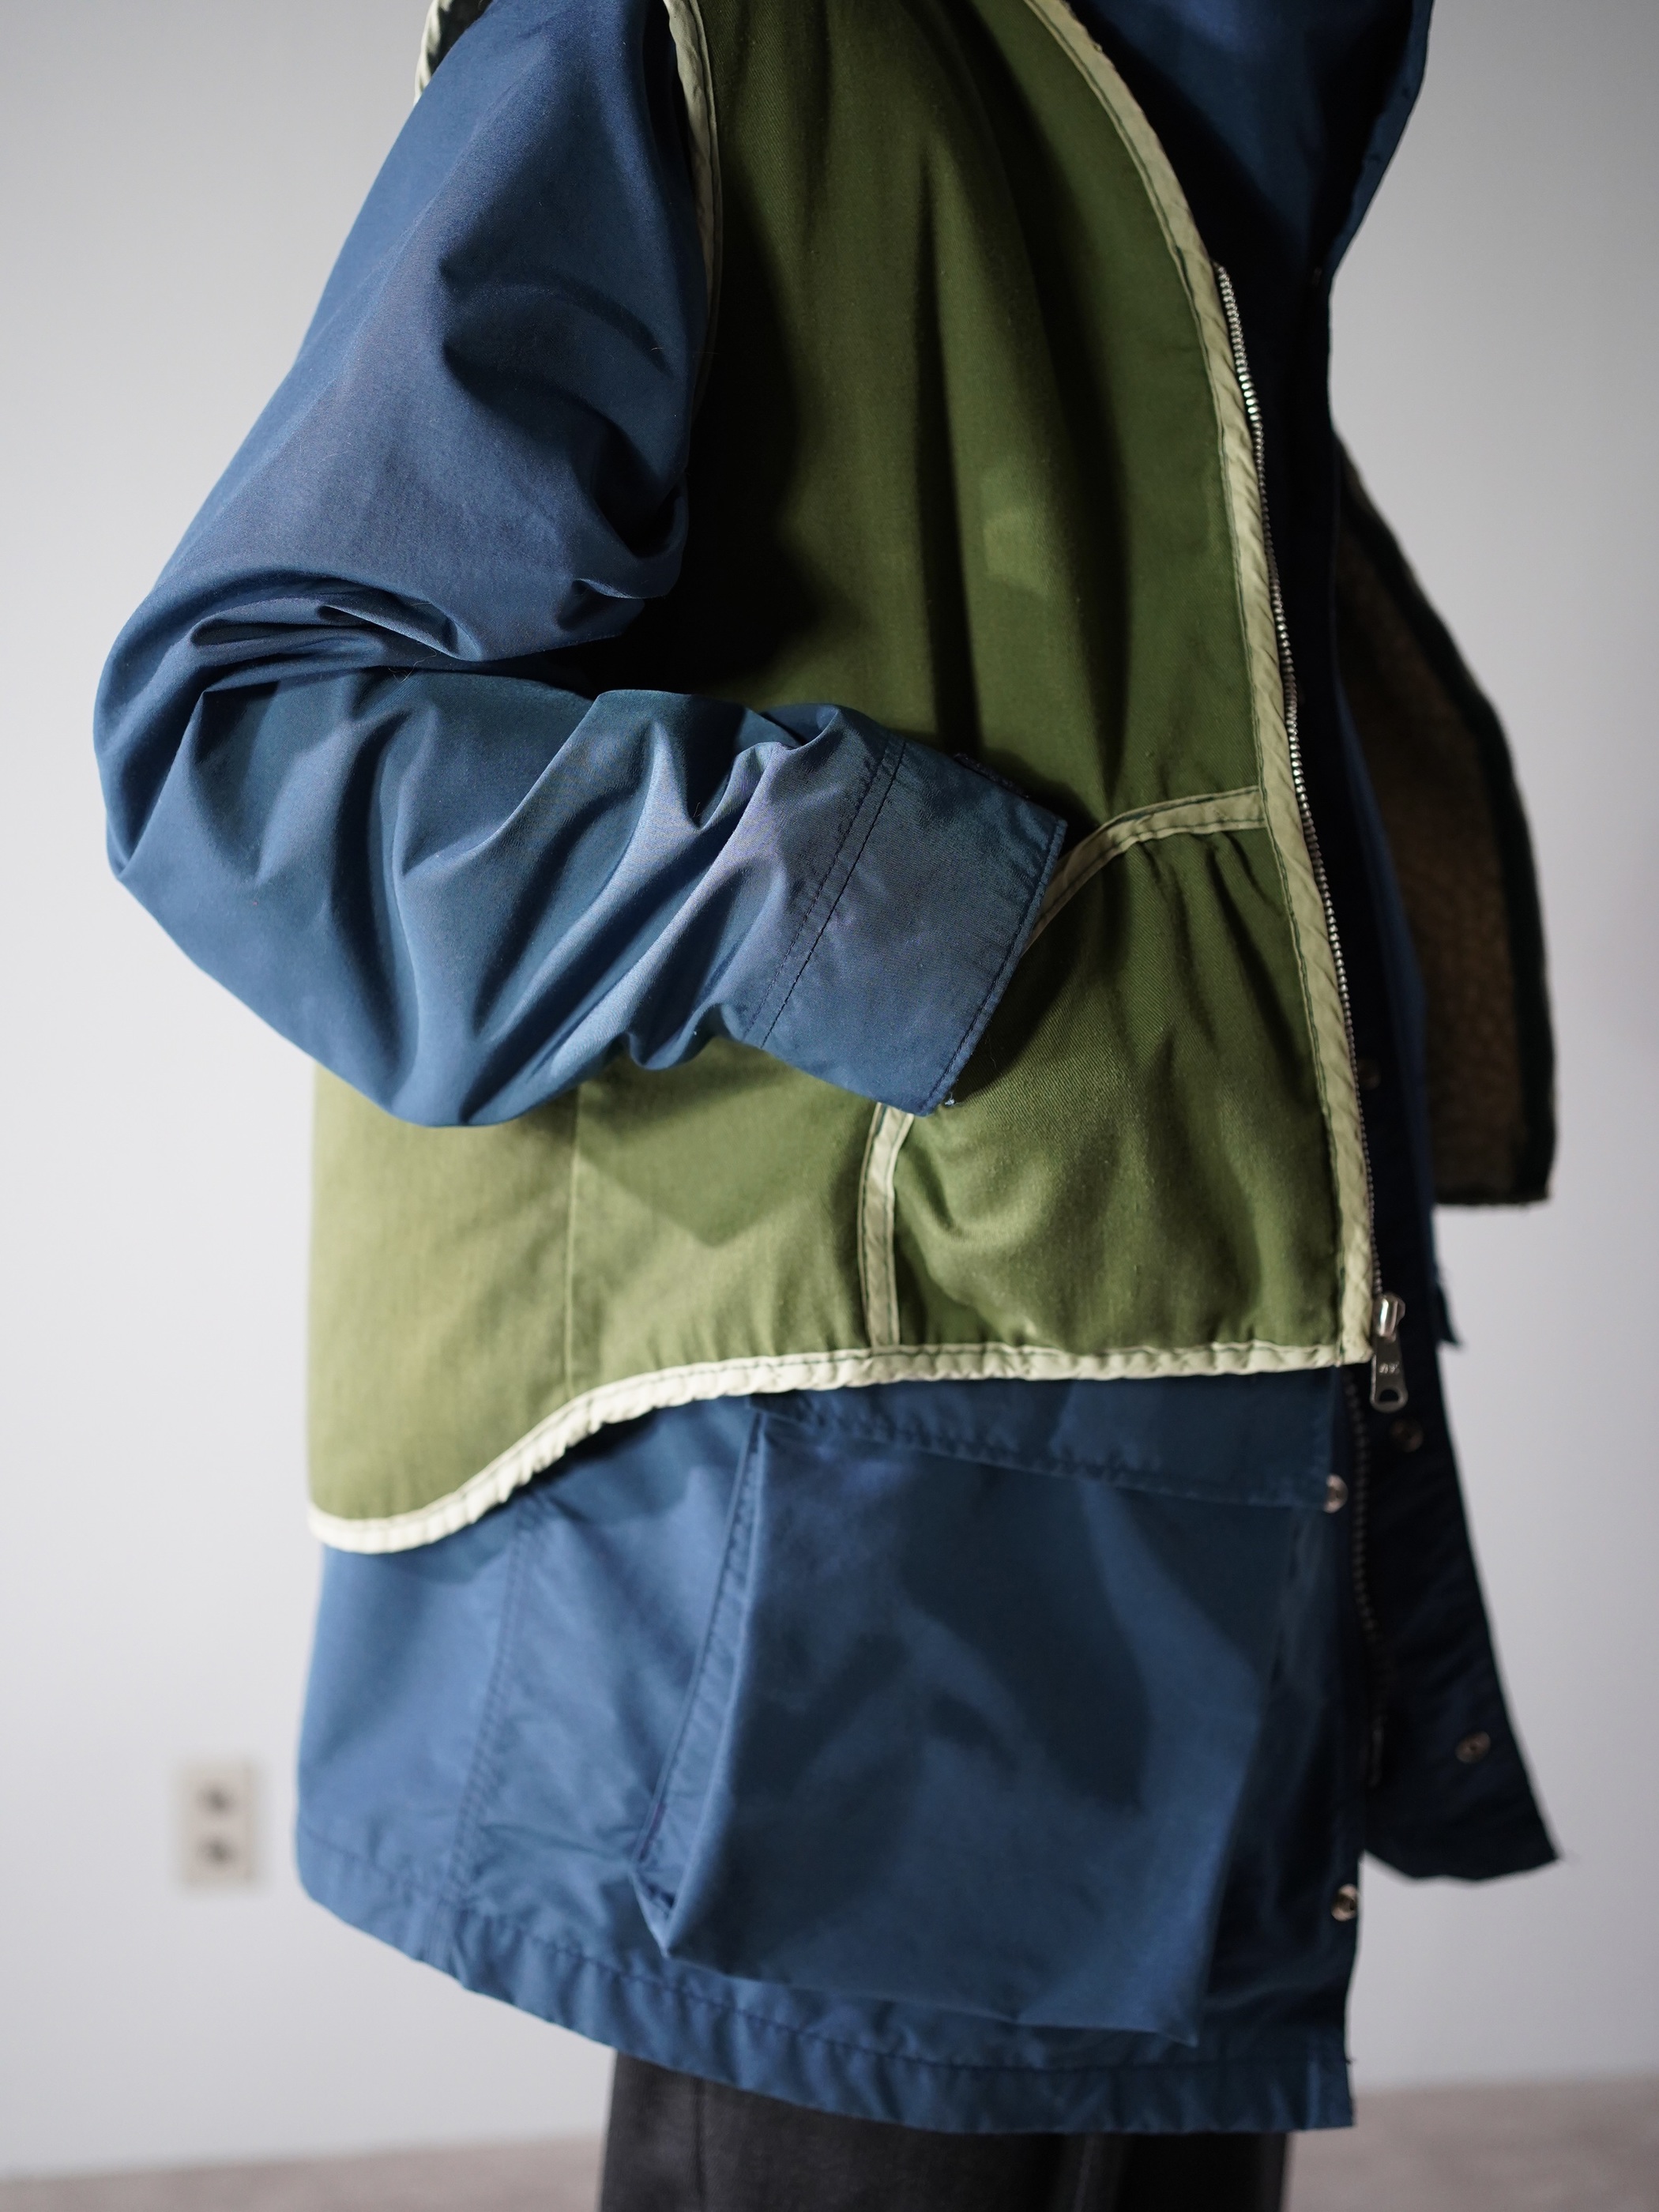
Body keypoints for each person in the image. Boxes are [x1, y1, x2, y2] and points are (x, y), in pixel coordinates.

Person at [95, 0, 1558, 2204]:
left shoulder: (1215, 116)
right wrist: (869, 888)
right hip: (856, 1574)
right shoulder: (701, 31)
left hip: (1222, 1480)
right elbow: (250, 734)